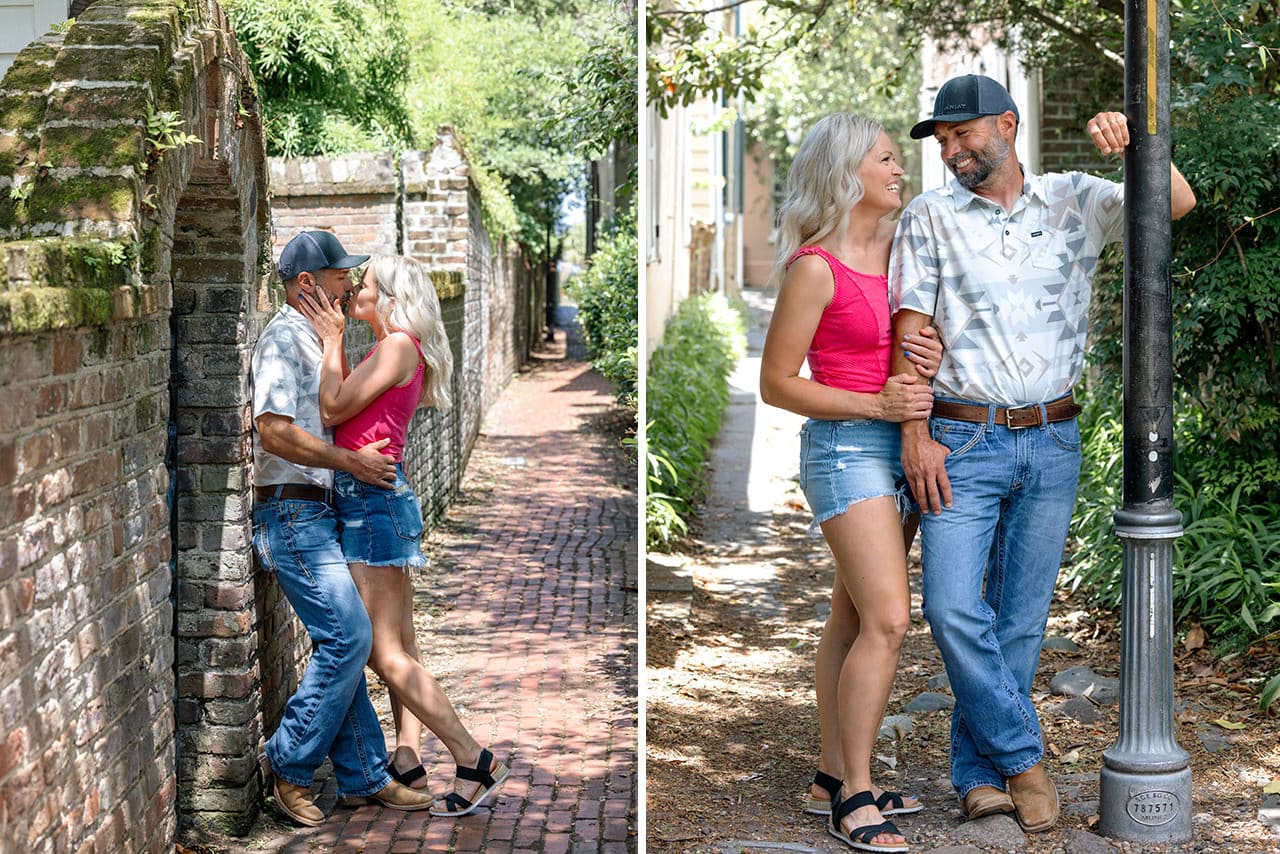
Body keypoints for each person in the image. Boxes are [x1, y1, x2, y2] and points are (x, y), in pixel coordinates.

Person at [889, 74, 1197, 832]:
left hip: (1054, 438)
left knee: (1021, 622)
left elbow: (1177, 205)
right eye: (942, 141)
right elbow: (909, 335)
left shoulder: (1075, 197)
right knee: (953, 607)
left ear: (1007, 125)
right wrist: (915, 435)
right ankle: (1025, 760)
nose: (952, 151)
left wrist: (1138, 147)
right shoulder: (929, 216)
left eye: (963, 135)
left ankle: (976, 776)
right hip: (960, 436)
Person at [759, 112, 944, 853]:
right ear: (846, 174)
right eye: (887, 160)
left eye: (899, 160)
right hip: (845, 448)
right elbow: (776, 384)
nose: (900, 170)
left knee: (854, 615)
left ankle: (832, 778)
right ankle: (857, 801)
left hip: (899, 444)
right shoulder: (815, 267)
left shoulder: (905, 254)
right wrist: (877, 403)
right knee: (892, 621)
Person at [298, 253, 510, 818]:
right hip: (379, 501)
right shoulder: (397, 348)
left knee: (382, 654)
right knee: (402, 647)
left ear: (389, 297)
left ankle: (474, 758)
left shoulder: (394, 347)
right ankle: (408, 757)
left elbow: (332, 403)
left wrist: (330, 339)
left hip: (371, 504)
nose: (351, 292)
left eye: (363, 285)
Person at [251, 231, 436, 826]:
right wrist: (351, 462)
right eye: (340, 277)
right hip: (292, 509)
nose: (351, 285)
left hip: (321, 509)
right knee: (352, 636)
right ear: (307, 283)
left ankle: (361, 776)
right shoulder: (282, 339)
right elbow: (273, 431)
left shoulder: (318, 339)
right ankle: (290, 763)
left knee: (351, 639)